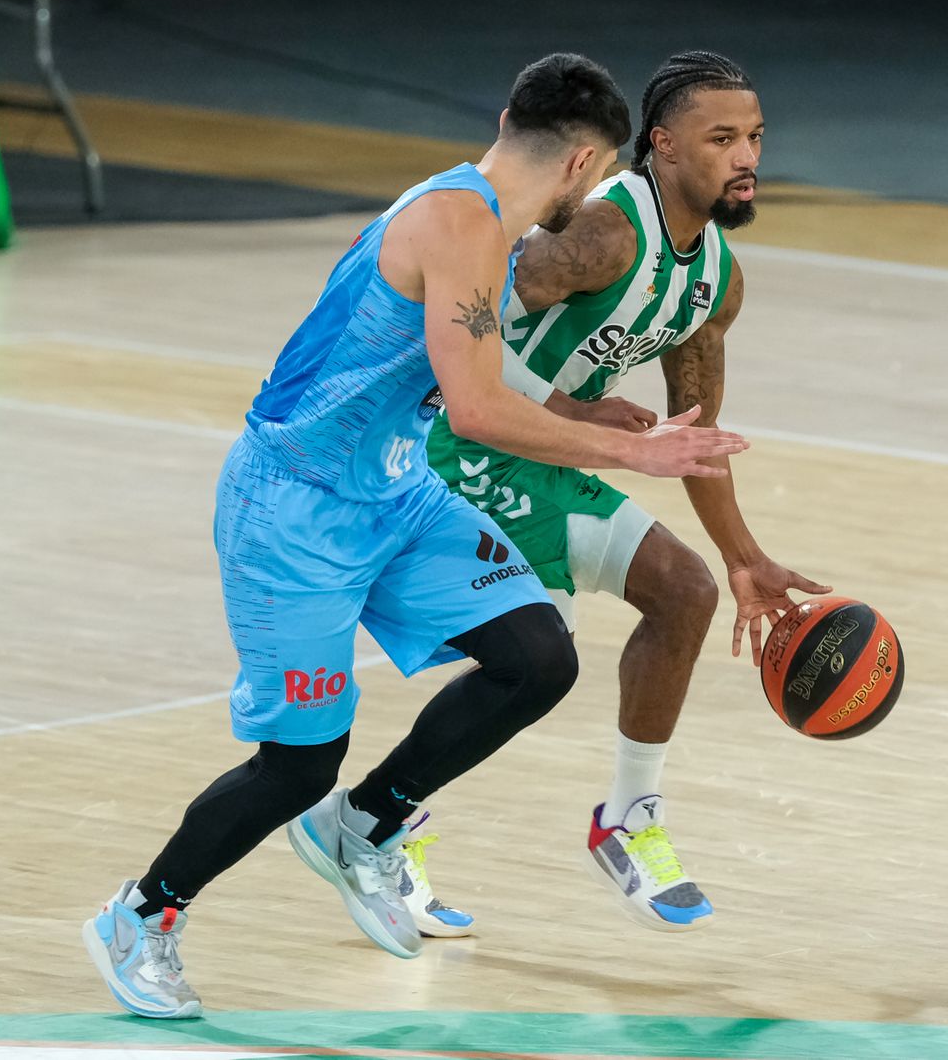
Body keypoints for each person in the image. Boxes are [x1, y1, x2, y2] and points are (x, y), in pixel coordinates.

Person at [81, 52, 749, 1020]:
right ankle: (140, 916)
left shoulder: (473, 212)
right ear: (584, 165)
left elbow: (472, 375)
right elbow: (476, 408)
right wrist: (629, 454)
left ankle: (367, 824)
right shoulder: (460, 227)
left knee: (533, 655)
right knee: (297, 761)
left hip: (392, 490)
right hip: (294, 509)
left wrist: (575, 412)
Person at [417, 51, 827, 935]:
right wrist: (562, 404)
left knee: (687, 592)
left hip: (547, 452)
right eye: (723, 138)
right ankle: (380, 819)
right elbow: (468, 309)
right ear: (664, 147)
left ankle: (626, 820)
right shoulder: (607, 235)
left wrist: (745, 557)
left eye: (755, 136)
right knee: (533, 657)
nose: (747, 155)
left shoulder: (717, 278)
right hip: (464, 439)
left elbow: (695, 439)